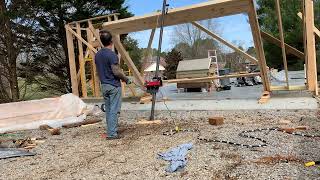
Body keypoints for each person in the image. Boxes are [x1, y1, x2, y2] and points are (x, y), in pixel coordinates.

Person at [95, 30, 131, 140]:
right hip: (114, 86)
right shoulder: (112, 55)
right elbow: (116, 72)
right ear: (111, 41)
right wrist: (126, 79)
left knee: (109, 110)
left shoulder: (97, 55)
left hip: (104, 85)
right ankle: (112, 134)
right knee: (114, 110)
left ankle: (110, 130)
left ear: (102, 41)